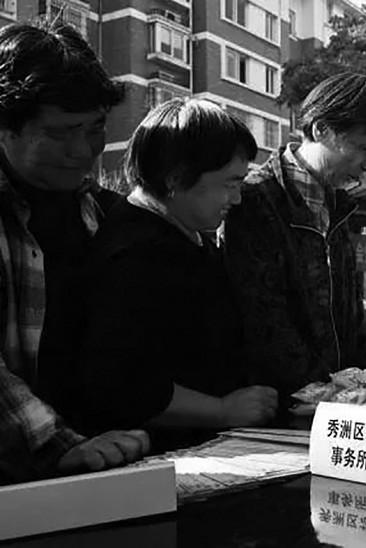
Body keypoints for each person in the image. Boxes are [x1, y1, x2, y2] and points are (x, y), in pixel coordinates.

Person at [76, 98, 278, 450]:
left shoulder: (187, 234)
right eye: (230, 184)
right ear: (176, 177)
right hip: (163, 458)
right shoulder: (134, 254)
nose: (237, 199)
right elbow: (120, 381)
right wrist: (221, 410)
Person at [0, 22, 150, 484]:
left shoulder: (101, 212)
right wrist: (58, 444)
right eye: (61, 132)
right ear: (5, 127)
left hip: (101, 466)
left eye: (96, 127)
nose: (84, 150)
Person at [224, 72, 366, 402]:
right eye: (364, 148)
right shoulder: (254, 200)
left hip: (337, 405)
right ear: (321, 129)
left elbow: (352, 319)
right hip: (280, 408)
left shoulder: (339, 207)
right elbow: (264, 321)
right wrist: (328, 393)